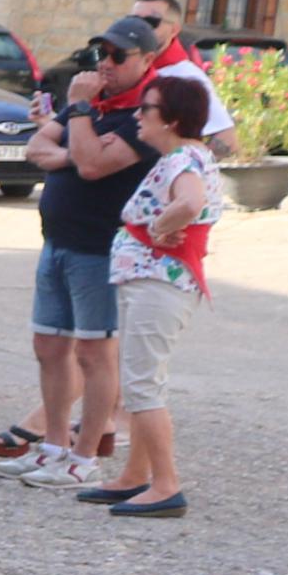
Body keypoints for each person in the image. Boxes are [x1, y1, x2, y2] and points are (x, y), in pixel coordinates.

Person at [12, 10, 148, 484]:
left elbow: (92, 169)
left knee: (95, 355)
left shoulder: (139, 114)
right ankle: (53, 445)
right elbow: (37, 147)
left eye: (117, 55)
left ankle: (85, 457)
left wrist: (79, 122)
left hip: (99, 249)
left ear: (146, 59)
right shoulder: (94, 108)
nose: (104, 64)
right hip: (57, 243)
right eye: (100, 54)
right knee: (49, 345)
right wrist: (78, 145)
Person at [76, 69, 219, 518]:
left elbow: (190, 203)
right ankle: (135, 477)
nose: (138, 115)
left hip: (158, 283)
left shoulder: (183, 161)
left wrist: (161, 226)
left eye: (147, 108)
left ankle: (165, 484)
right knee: (141, 381)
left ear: (172, 119)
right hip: (153, 282)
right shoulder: (187, 156)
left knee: (142, 386)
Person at [134, 0, 238, 152]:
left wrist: (183, 165)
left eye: (151, 22)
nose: (140, 29)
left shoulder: (184, 76)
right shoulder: (122, 66)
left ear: (174, 30)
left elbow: (227, 138)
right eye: (133, 21)